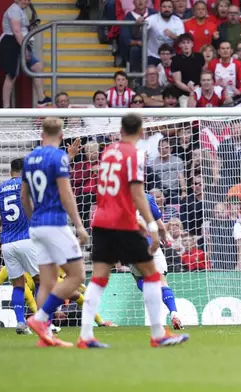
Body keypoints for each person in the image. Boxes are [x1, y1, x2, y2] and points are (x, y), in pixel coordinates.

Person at [78, 113, 189, 348]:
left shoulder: (108, 152)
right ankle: (158, 334)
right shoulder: (135, 155)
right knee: (152, 275)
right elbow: (138, 193)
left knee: (98, 278)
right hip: (124, 223)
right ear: (140, 132)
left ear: (121, 130)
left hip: (102, 221)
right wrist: (151, 226)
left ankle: (85, 335)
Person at [22, 118, 88, 348]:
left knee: (47, 283)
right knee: (77, 276)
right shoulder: (57, 157)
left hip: (37, 226)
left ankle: (45, 337)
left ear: (42, 134)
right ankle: (40, 320)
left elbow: (24, 196)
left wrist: (34, 220)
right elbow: (66, 193)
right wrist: (79, 225)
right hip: (55, 224)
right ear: (61, 135)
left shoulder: (30, 158)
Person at [0, 158, 38, 334]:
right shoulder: (28, 185)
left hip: (7, 243)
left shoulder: (0, 189)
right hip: (27, 239)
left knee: (18, 285)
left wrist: (3, 222)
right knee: (42, 282)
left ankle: (21, 323)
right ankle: (42, 322)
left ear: (10, 171)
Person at [128, 192, 184, 330]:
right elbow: (159, 226)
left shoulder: (117, 199)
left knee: (141, 279)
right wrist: (165, 237)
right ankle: (174, 313)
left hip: (133, 247)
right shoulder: (147, 197)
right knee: (163, 282)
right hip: (152, 244)